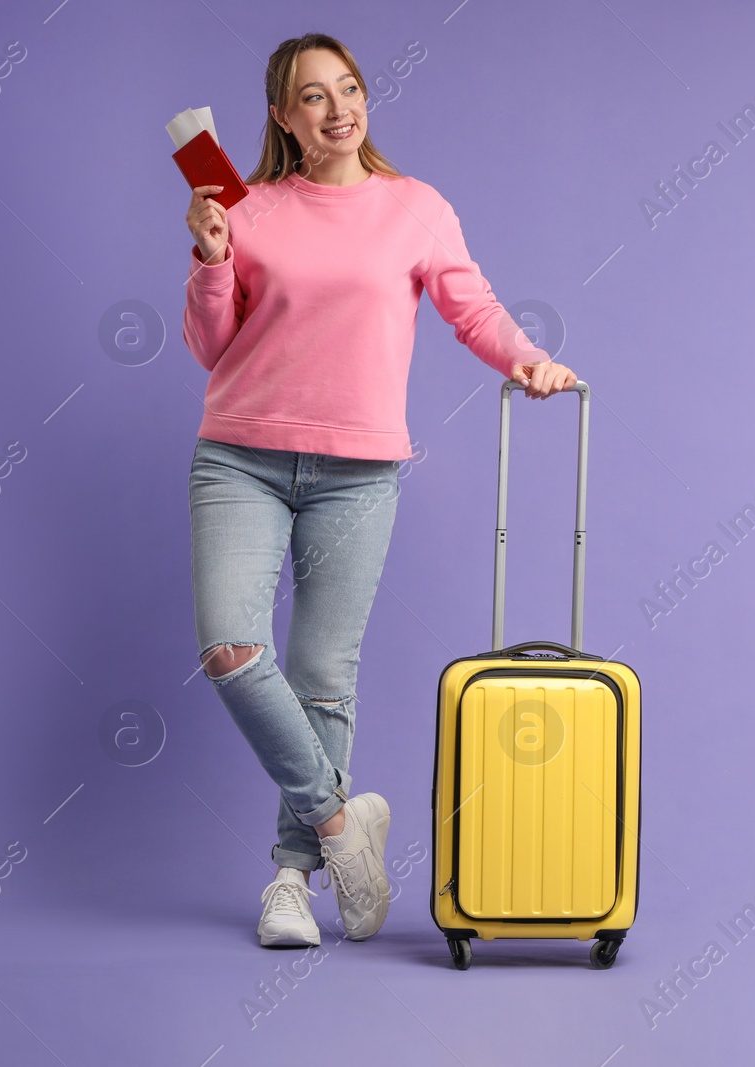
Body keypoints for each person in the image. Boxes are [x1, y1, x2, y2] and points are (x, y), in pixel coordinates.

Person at [182, 32, 576, 948]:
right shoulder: (251, 208)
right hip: (239, 454)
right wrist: (210, 259)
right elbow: (210, 346)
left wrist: (528, 359)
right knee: (232, 646)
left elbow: (468, 304)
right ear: (284, 118)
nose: (339, 108)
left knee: (322, 674)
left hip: (358, 470)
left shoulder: (416, 208)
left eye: (349, 87)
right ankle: (336, 824)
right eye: (313, 97)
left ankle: (291, 880)